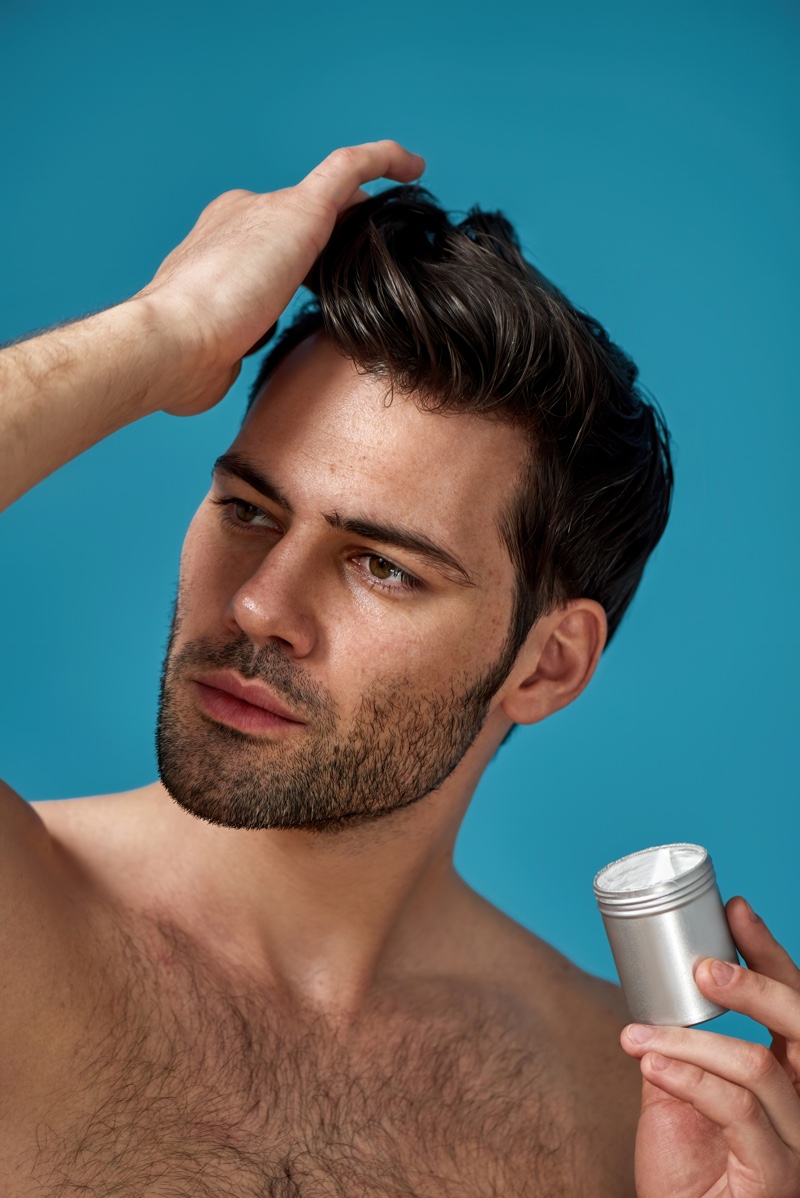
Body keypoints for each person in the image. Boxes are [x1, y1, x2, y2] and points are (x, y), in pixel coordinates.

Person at [1, 141, 798, 1197]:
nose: (258, 607)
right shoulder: (24, 923)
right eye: (248, 511)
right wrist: (161, 333)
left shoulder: (628, 1113)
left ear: (546, 667)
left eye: (380, 566)